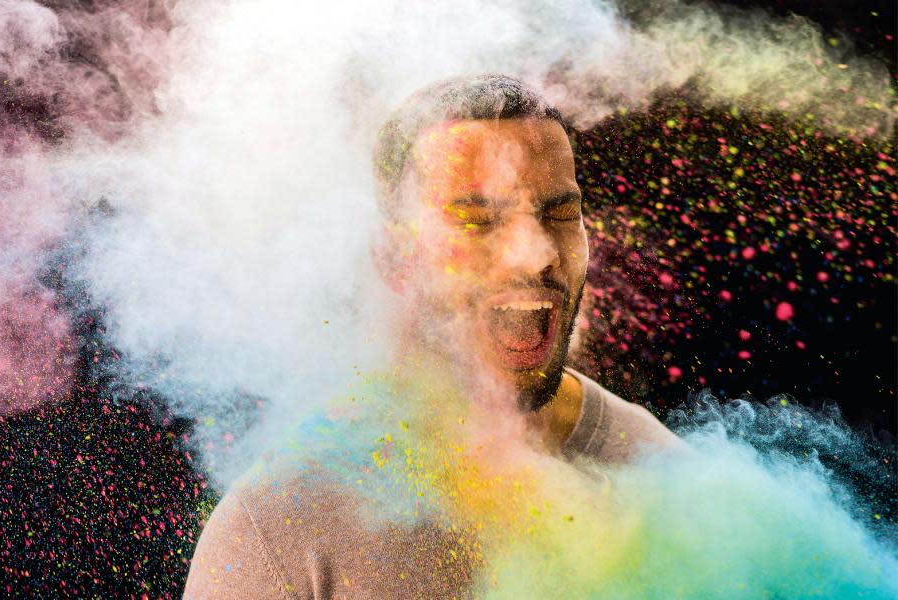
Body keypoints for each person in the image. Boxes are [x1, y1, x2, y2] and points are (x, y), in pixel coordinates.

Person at [184, 74, 681, 599]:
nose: (538, 255)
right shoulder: (280, 529)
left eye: (559, 214)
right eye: (479, 220)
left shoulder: (664, 475)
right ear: (397, 260)